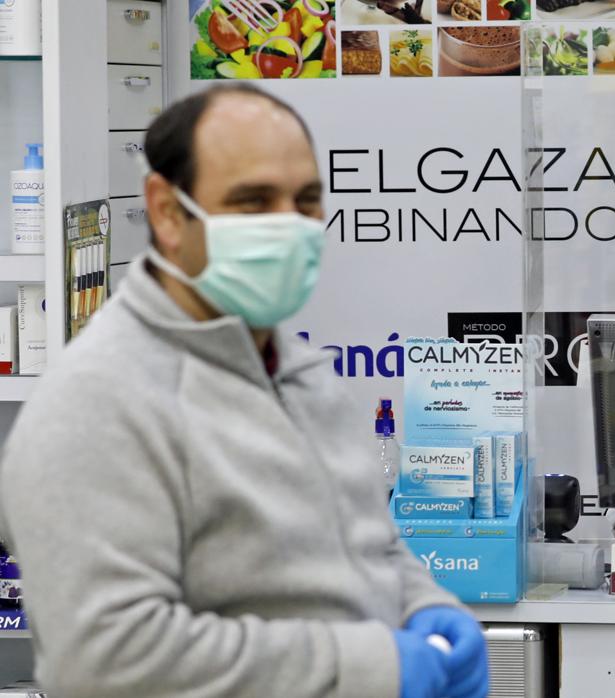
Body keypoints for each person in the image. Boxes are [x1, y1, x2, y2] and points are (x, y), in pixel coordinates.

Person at [0, 85, 488, 698]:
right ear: (167, 212)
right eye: (253, 201)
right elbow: (106, 660)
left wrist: (426, 608)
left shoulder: (297, 369)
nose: (288, 226)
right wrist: (365, 667)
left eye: (305, 200)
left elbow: (365, 544)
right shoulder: (96, 404)